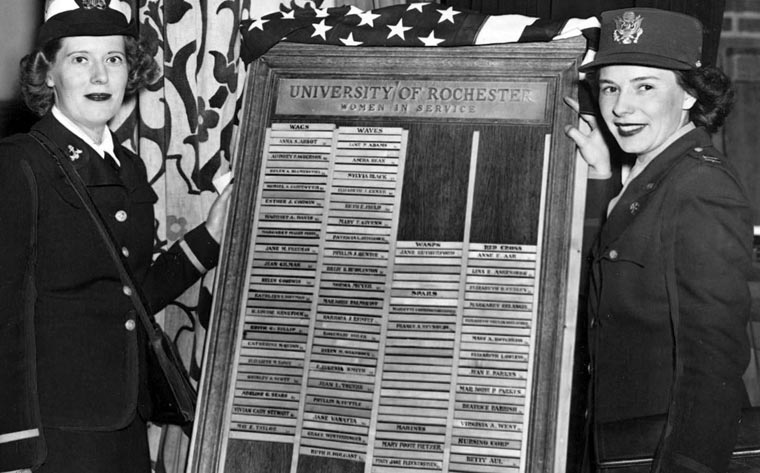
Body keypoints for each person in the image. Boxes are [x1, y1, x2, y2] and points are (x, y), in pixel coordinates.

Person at [0, 1, 232, 472]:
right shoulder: (20, 163)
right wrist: (13, 449)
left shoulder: (126, 166)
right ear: (48, 75)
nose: (100, 77)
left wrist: (210, 234)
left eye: (114, 59)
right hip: (54, 435)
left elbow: (131, 294)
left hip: (124, 423)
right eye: (80, 60)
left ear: (131, 72)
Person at [564, 8, 752, 473]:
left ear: (689, 94)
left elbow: (713, 362)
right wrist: (603, 175)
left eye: (644, 86)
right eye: (610, 87)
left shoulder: (701, 187)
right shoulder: (649, 173)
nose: (621, 108)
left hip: (663, 452)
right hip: (617, 441)